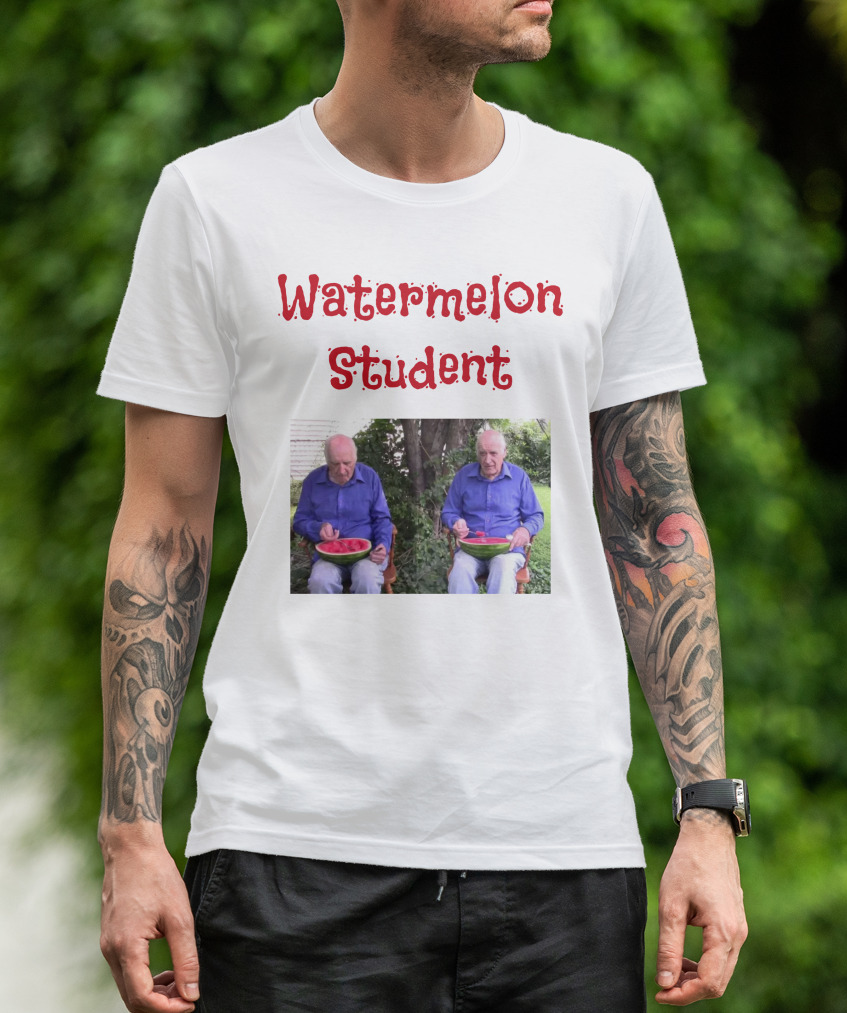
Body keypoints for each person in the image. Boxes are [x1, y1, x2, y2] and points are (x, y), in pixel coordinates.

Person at [97, 2, 748, 1011]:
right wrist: (131, 832)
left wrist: (707, 808)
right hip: (290, 848)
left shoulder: (606, 198)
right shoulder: (213, 200)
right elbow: (162, 526)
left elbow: (654, 521)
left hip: (559, 850)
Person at [442, 429, 543, 593]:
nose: (487, 460)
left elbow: (536, 515)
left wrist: (526, 529)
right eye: (482, 453)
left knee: (503, 570)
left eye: (493, 453)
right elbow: (448, 512)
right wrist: (455, 521)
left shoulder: (519, 477)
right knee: (459, 572)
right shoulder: (463, 476)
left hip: (507, 551)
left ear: (505, 452)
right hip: (470, 550)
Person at [292, 434, 392, 593]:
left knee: (367, 580)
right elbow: (299, 521)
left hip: (366, 555)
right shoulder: (312, 481)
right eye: (334, 464)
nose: (341, 470)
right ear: (326, 460)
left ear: (355, 458)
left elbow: (382, 518)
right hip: (328, 558)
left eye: (347, 463)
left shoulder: (370, 477)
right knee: (320, 582)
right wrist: (318, 528)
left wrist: (383, 545)